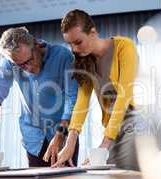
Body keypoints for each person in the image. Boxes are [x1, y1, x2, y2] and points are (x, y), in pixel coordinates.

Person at [53, 9, 140, 170]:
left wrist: (105, 143)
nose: (74, 49)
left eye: (78, 42)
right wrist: (70, 143)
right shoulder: (86, 62)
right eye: (70, 44)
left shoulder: (124, 47)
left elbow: (124, 95)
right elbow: (81, 103)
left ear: (93, 32)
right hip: (113, 129)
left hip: (135, 123)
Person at [0, 27, 79, 167]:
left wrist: (59, 136)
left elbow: (73, 101)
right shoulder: (10, 62)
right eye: (20, 65)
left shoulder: (63, 56)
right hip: (34, 139)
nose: (27, 68)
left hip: (64, 134)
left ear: (36, 44)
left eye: (29, 60)